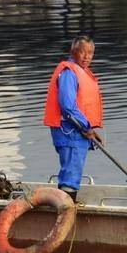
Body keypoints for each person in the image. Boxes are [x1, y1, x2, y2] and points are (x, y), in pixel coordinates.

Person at [43, 35, 104, 202]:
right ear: (73, 51)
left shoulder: (81, 72)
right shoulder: (69, 72)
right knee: (70, 172)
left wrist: (90, 130)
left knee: (73, 171)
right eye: (82, 52)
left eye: (90, 53)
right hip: (70, 131)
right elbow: (67, 106)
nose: (87, 56)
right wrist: (86, 128)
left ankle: (68, 205)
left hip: (79, 131)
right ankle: (66, 210)